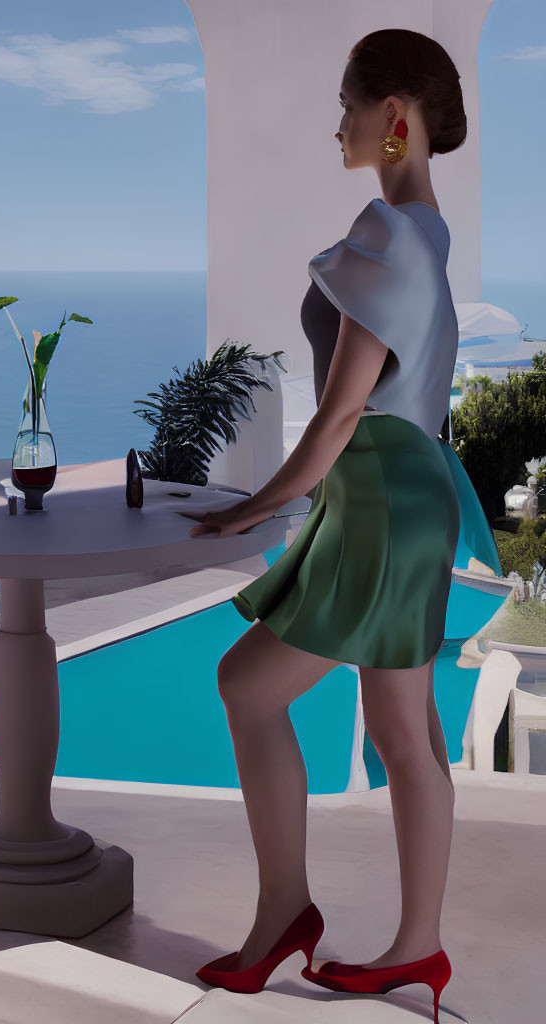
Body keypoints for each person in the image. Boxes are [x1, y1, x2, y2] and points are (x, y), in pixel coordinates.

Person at [183, 28, 497, 1024]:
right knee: (405, 730)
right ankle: (415, 948)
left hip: (376, 492)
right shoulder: (427, 235)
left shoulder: (388, 235)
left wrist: (255, 504)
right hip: (400, 494)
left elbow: (333, 415)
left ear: (393, 116)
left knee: (247, 685)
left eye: (350, 107)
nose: (338, 126)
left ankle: (287, 911)